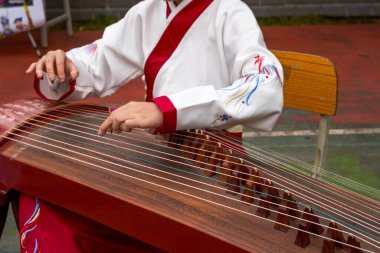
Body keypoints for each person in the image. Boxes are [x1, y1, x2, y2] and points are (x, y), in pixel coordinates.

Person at [21, 0, 284, 252]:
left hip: (213, 166)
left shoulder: (230, 12)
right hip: (159, 159)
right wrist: (65, 67)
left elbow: (266, 85)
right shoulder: (148, 12)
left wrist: (166, 109)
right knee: (52, 204)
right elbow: (100, 59)